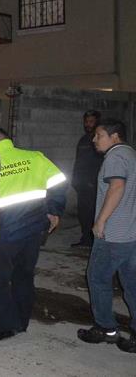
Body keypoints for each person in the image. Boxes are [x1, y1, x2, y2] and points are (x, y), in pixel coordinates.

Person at [0, 128, 67, 341]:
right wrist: (54, 210)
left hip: (4, 235)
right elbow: (59, 181)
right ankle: (22, 322)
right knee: (24, 276)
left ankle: (9, 325)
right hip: (33, 231)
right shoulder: (34, 157)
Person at [77, 118, 136, 354]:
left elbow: (117, 187)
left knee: (97, 278)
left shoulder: (115, 156)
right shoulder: (131, 154)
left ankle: (105, 328)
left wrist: (100, 221)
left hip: (113, 234)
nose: (94, 139)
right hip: (131, 232)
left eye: (99, 135)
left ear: (114, 136)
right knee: (131, 284)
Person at [71, 110, 103, 248]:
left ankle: (94, 240)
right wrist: (75, 180)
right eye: (86, 121)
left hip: (93, 185)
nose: (88, 124)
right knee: (83, 213)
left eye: (91, 121)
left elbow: (99, 163)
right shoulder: (84, 139)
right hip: (82, 185)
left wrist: (94, 182)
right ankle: (86, 239)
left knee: (92, 213)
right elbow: (78, 161)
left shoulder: (99, 140)